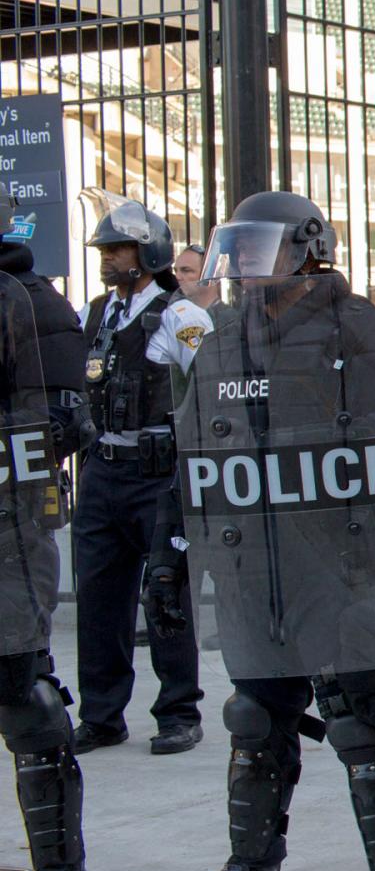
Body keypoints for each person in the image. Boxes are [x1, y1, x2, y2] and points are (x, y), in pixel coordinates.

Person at [163, 191, 375, 871]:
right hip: (254, 561)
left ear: (306, 249)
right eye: (237, 251)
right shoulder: (220, 336)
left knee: (355, 717)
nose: (244, 267)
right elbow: (190, 447)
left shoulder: (359, 327)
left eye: (259, 250)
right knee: (254, 717)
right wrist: (174, 549)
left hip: (332, 559)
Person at [68, 193, 212, 756]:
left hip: (158, 476)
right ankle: (102, 714)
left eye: (118, 248)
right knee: (99, 597)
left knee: (165, 593)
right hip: (102, 472)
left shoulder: (181, 316)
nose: (108, 258)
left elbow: (209, 391)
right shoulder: (96, 313)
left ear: (147, 252)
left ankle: (178, 712)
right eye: (105, 248)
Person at [0, 245, 96, 871]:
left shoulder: (28, 301)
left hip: (6, 521)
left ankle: (60, 868)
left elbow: (64, 422)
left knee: (19, 685)